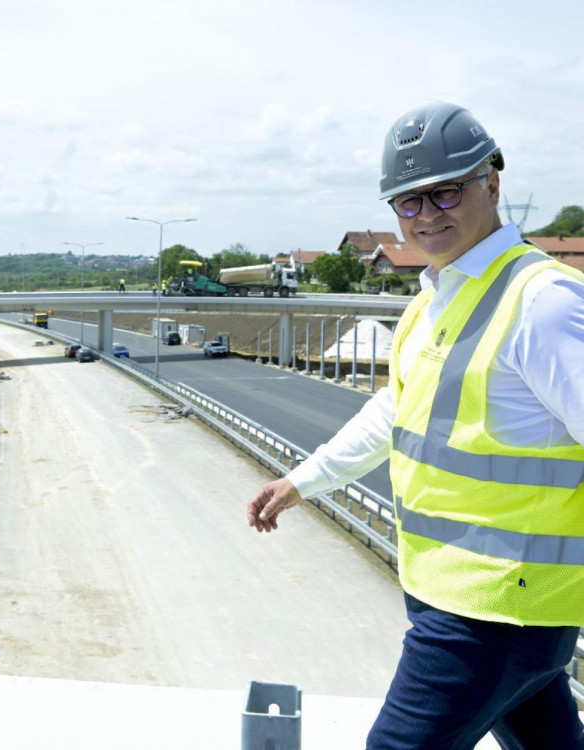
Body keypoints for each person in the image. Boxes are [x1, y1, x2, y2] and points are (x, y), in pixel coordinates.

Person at [247, 102, 584, 749]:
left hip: (492, 614)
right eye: (408, 202)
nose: (426, 216)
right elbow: (393, 416)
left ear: (491, 183)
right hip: (460, 598)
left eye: (444, 192)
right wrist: (300, 484)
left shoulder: (542, 304)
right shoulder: (433, 301)